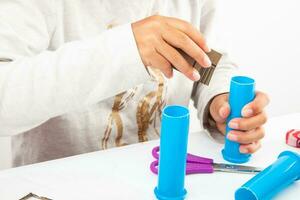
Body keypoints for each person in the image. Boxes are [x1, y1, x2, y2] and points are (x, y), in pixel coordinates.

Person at [0, 0, 269, 167]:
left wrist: (217, 99)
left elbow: (208, 57)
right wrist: (127, 49)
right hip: (58, 183)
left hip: (154, 176)